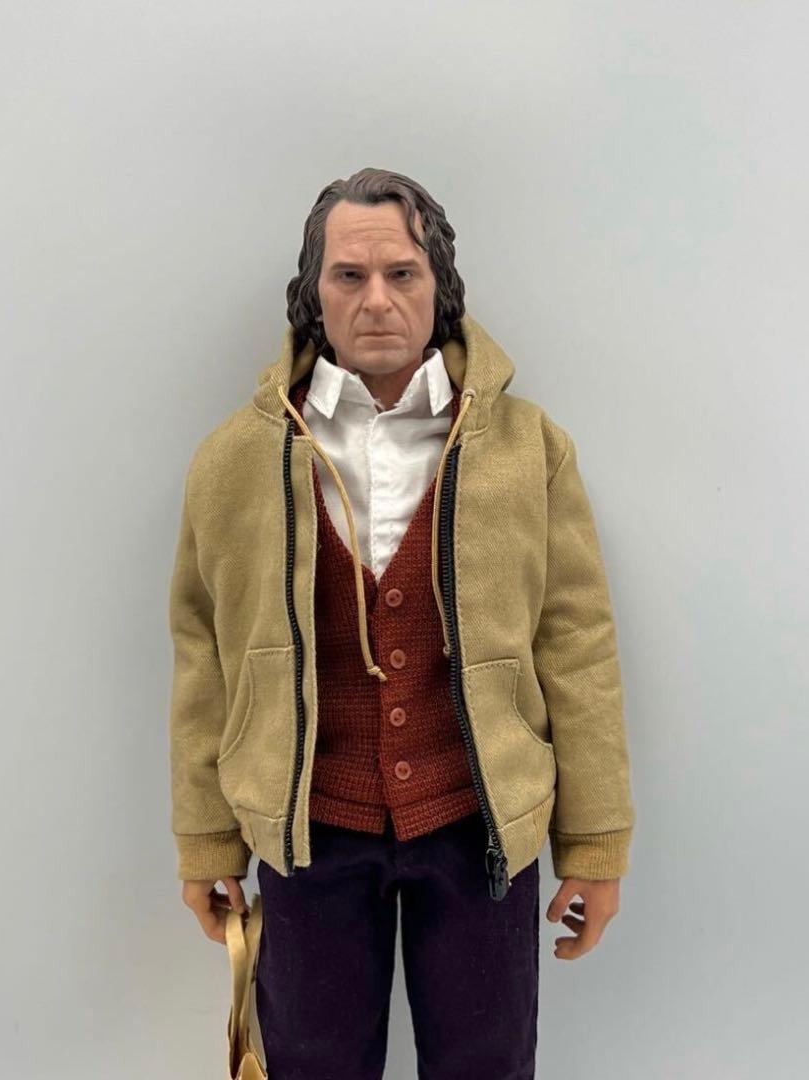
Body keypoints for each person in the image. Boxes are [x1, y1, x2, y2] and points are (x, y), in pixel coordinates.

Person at [167, 167, 636, 1078]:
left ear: (439, 287)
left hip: (480, 826)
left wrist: (595, 841)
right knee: (311, 1062)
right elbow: (204, 658)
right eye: (349, 275)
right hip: (307, 828)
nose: (376, 299)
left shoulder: (526, 449)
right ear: (314, 292)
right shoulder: (235, 461)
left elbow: (577, 647)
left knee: (487, 1061)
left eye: (402, 274)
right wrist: (207, 838)